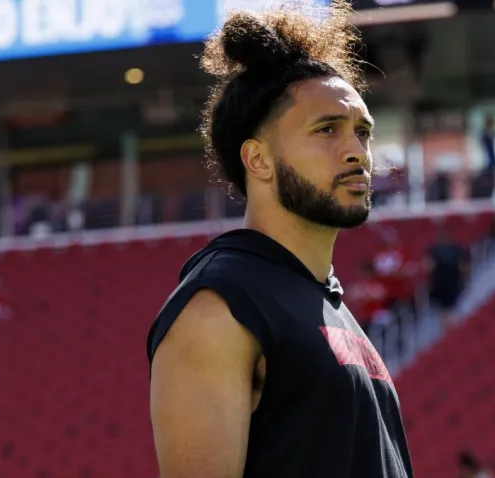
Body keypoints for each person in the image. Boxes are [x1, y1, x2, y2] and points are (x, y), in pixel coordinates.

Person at [146, 2, 413, 477]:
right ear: (259, 160)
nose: (357, 153)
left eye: (363, 133)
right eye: (326, 130)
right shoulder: (221, 303)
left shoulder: (323, 299)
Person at [426, 229, 469, 330]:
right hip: (453, 283)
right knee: (452, 309)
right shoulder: (457, 250)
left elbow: (428, 266)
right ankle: (452, 330)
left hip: (440, 284)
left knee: (444, 311)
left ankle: (447, 331)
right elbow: (463, 267)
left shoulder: (434, 250)